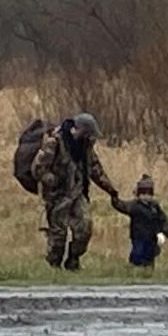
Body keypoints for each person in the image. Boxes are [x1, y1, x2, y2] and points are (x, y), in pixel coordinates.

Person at [31, 113, 118, 271]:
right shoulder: (54, 142)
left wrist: (110, 189)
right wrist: (53, 180)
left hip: (77, 194)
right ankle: (54, 266)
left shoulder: (86, 146)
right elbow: (38, 169)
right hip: (57, 196)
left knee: (85, 228)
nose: (89, 137)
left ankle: (73, 261)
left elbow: (95, 169)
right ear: (78, 129)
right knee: (59, 234)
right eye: (87, 133)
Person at [110, 174, 168, 268]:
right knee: (138, 252)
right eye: (143, 194)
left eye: (149, 194)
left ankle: (148, 269)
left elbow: (162, 219)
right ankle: (134, 266)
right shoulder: (134, 206)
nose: (146, 196)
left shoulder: (155, 206)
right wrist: (114, 199)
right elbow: (122, 206)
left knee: (150, 254)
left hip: (152, 237)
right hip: (138, 237)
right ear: (138, 194)